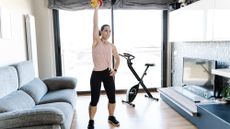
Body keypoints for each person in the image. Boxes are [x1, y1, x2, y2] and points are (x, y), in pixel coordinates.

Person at [87, 6, 121, 129]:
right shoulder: (96, 41)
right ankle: (91, 121)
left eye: (109, 31)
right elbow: (95, 24)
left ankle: (111, 116)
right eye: (106, 30)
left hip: (108, 74)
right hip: (96, 74)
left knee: (112, 98)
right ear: (100, 32)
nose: (108, 32)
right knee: (94, 100)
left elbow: (117, 59)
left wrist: (115, 69)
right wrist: (96, 9)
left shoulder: (112, 46)